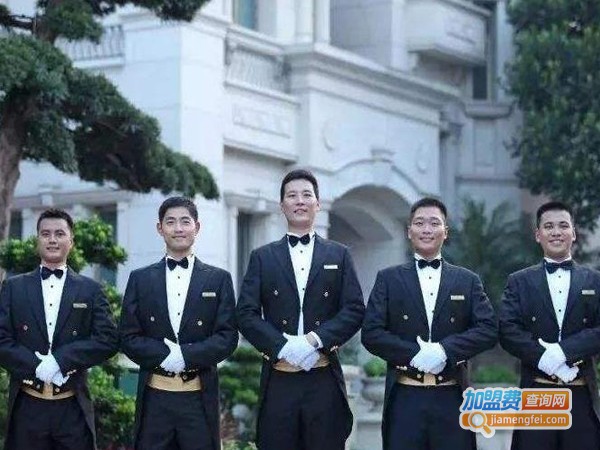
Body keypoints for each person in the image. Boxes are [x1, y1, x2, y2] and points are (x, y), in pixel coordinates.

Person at [236, 169, 365, 450]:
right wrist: (281, 345)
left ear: (318, 204)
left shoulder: (339, 254)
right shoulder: (262, 257)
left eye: (306, 195)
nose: (299, 201)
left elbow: (354, 309)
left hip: (323, 378)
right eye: (292, 195)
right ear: (282, 205)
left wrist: (314, 340)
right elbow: (245, 313)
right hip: (279, 377)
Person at [361, 197, 497, 450]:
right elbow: (371, 333)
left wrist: (445, 350)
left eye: (434, 223)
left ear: (446, 232)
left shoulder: (467, 280)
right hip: (405, 397)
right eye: (419, 223)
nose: (426, 229)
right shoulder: (388, 279)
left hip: (452, 397)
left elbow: (488, 329)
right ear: (409, 231)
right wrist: (414, 354)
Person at [120, 196, 237, 450]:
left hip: (198, 397)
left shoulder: (218, 279)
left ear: (197, 227)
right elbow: (128, 336)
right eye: (170, 222)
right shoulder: (140, 279)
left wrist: (186, 355)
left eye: (185, 221)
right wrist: (164, 355)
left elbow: (227, 337)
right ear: (160, 228)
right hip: (155, 398)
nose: (178, 228)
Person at [0, 208, 119, 449]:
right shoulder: (14, 287)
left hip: (72, 407)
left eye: (59, 234)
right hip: (27, 408)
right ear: (37, 240)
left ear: (71, 241)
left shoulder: (91, 290)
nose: (52, 239)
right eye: (45, 234)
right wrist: (35, 366)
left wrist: (60, 361)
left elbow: (108, 339)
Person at [499, 201, 600, 450]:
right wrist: (544, 358)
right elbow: (508, 330)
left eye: (563, 226)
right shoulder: (519, 281)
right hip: (537, 395)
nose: (556, 232)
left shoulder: (595, 281)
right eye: (549, 226)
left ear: (574, 233)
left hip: (580, 395)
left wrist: (564, 352)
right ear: (538, 234)